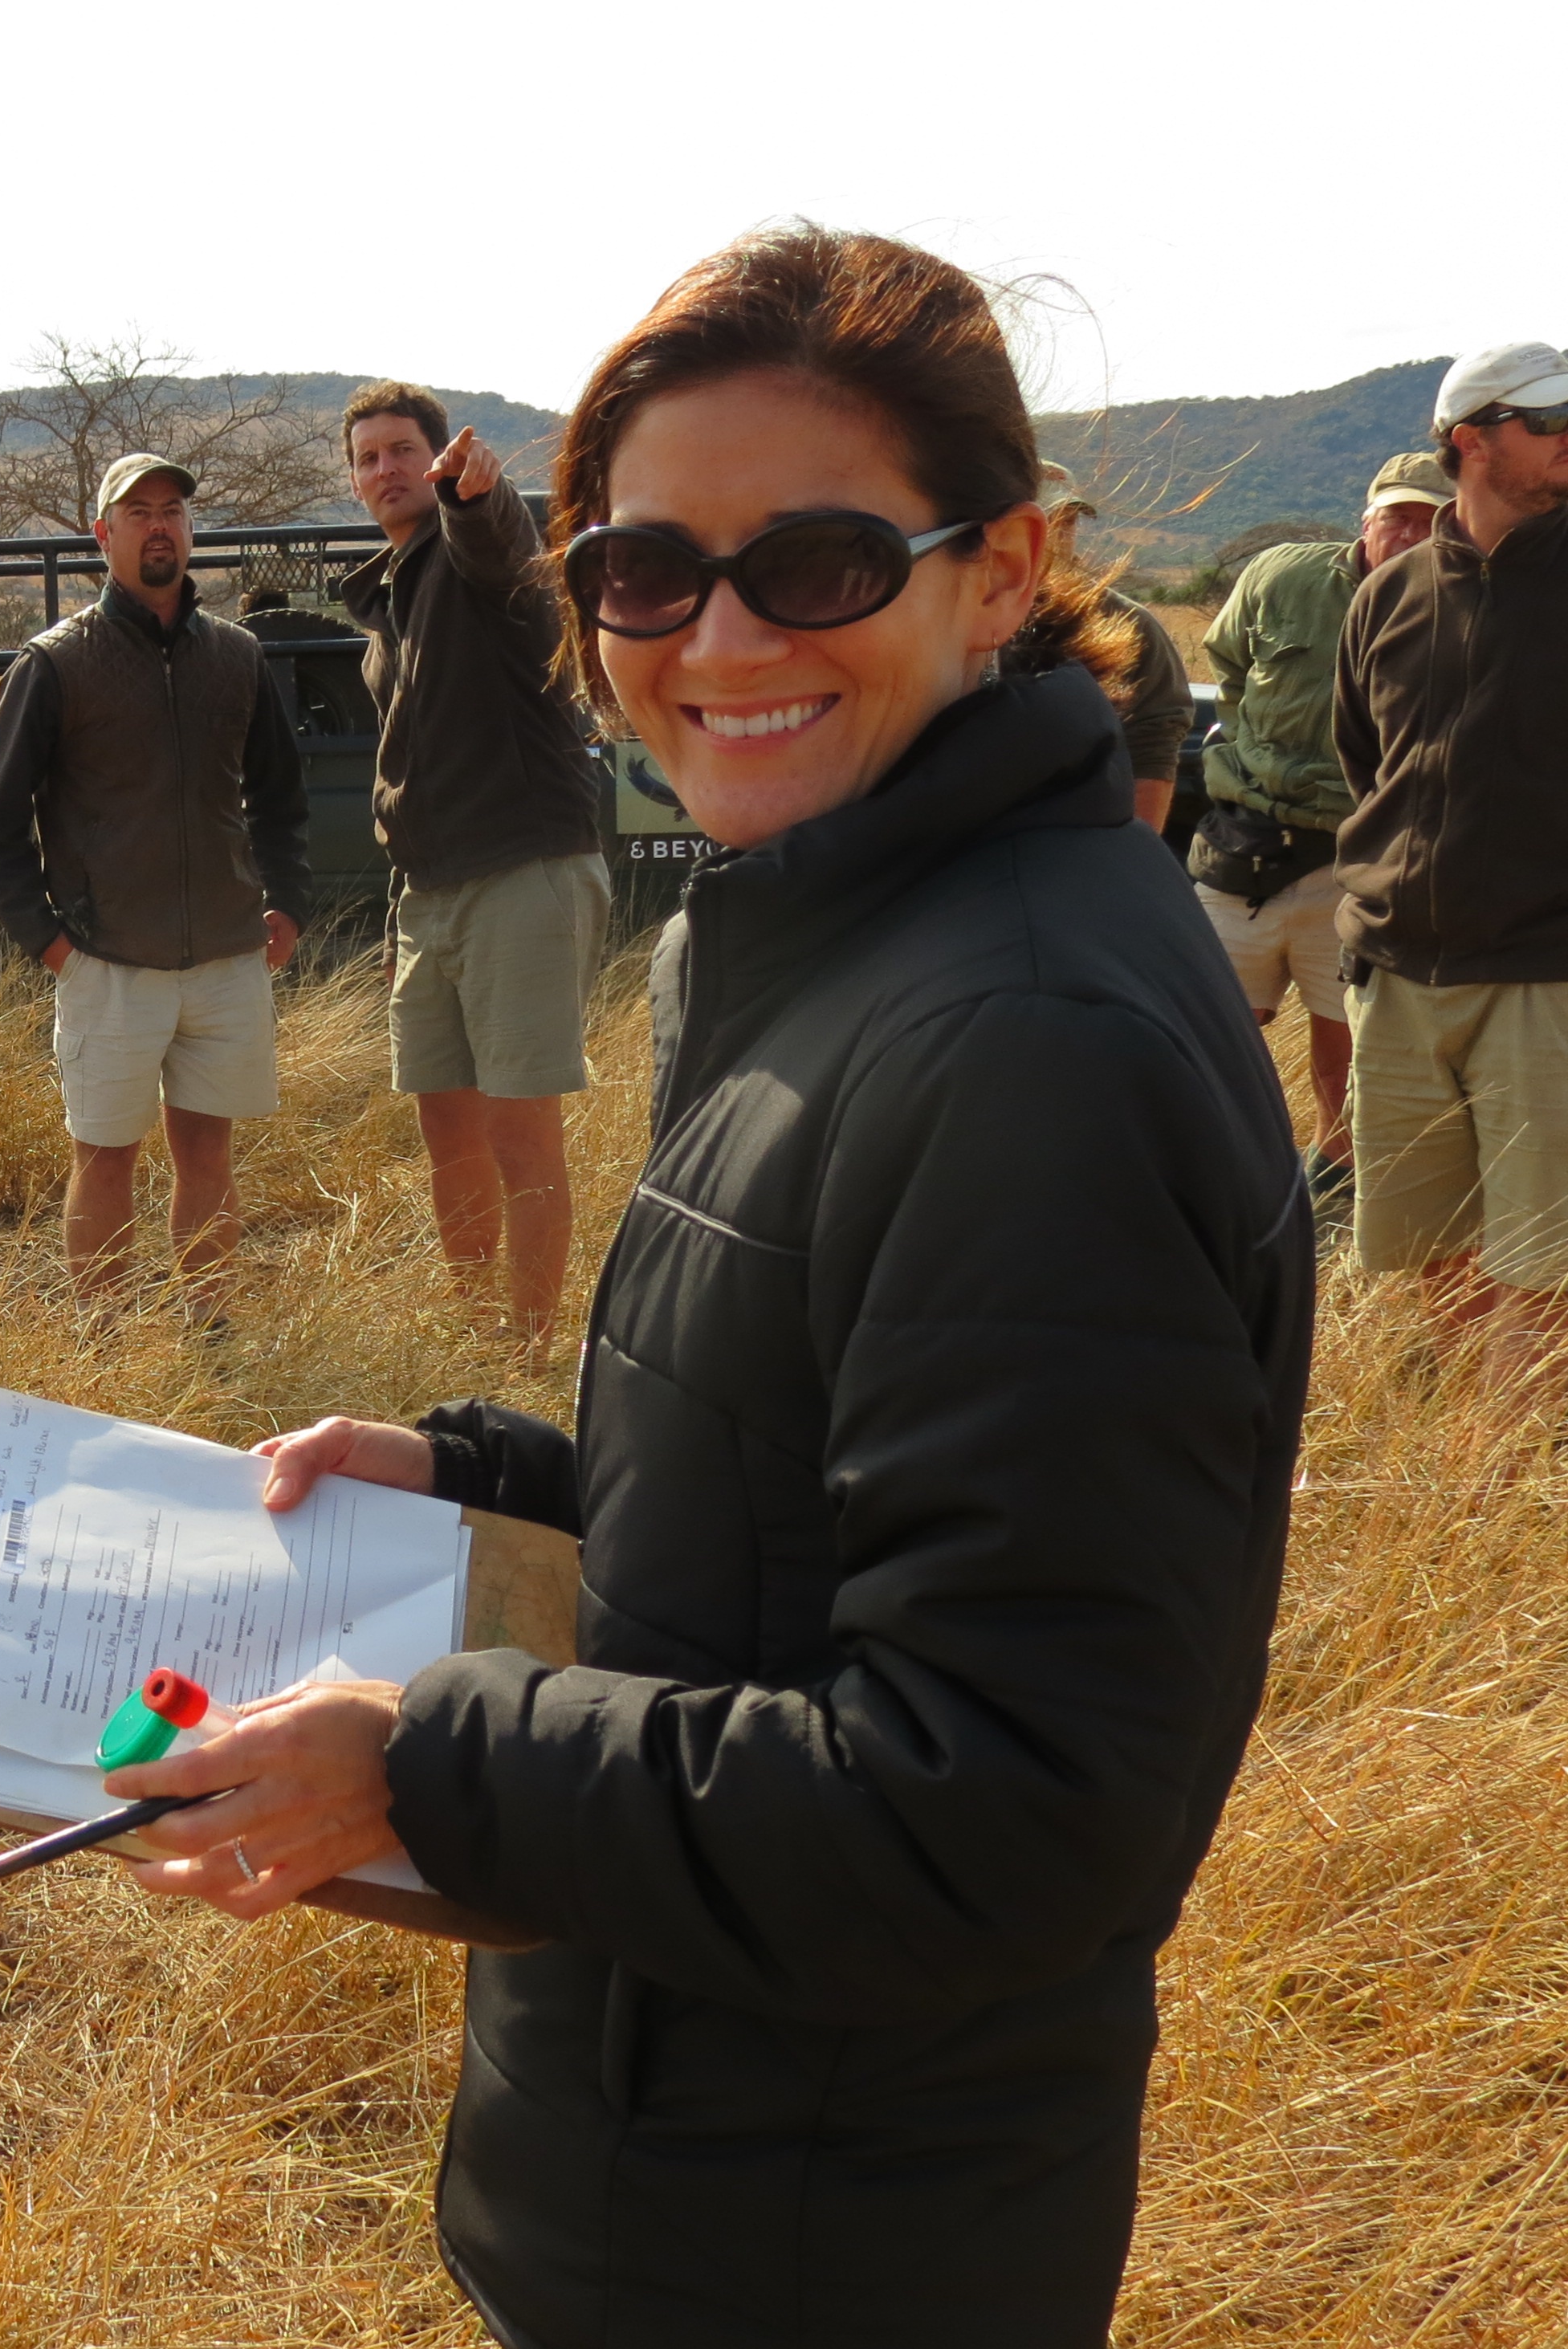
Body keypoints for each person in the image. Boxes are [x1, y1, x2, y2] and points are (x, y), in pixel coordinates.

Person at [103, 229, 1308, 2347]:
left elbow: (1004, 1805)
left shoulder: (1029, 1035)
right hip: (714, 2161)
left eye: (819, 562)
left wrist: (440, 1752)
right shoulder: (848, 934)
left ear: (1005, 569)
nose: (719, 635)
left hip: (818, 2235)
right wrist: (487, 1478)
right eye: (642, 574)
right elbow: (833, 1507)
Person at [0, 453, 313, 1307]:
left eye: (173, 511)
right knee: (105, 1155)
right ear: (103, 535)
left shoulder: (235, 656)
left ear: (189, 530)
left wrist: (288, 902)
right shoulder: (54, 664)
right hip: (107, 963)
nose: (159, 525)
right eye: (138, 512)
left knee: (206, 1154)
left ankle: (209, 1334)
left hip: (227, 962)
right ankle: (107, 1347)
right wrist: (54, 947)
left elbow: (280, 797)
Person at [339, 381, 609, 1345]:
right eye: (366, 457)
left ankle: (533, 1355)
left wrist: (479, 498)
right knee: (444, 1130)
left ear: (438, 455)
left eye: (402, 449)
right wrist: (398, 918)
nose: (385, 470)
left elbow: (503, 545)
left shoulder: (480, 552)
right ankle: (476, 1332)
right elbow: (402, 776)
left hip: (522, 869)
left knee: (519, 1136)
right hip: (431, 896)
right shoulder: (388, 600)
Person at [1332, 340, 1568, 1385]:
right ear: (1473, 439)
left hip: (1544, 974)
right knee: (1433, 1248)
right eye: (1549, 422)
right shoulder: (1386, 599)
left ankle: (1499, 1492)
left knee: (1543, 1263)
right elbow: (1364, 766)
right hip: (1399, 974)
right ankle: (1473, 1463)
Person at [1195, 451, 1452, 1217]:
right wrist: (1249, 754)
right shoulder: (1282, 576)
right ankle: (1222, 1192)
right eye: (1396, 515)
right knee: (1213, 1039)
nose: (1408, 534)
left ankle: (1329, 1207)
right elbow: (1227, 663)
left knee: (1347, 1049)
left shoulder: (1458, 601)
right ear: (1365, 517)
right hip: (1244, 847)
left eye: (1429, 520)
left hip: (1358, 863)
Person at [1020, 469, 1189, 829]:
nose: (1061, 537)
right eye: (1051, 522)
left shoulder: (1125, 622)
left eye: (1069, 523)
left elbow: (1153, 747)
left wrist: (1135, 858)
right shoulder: (950, 613)